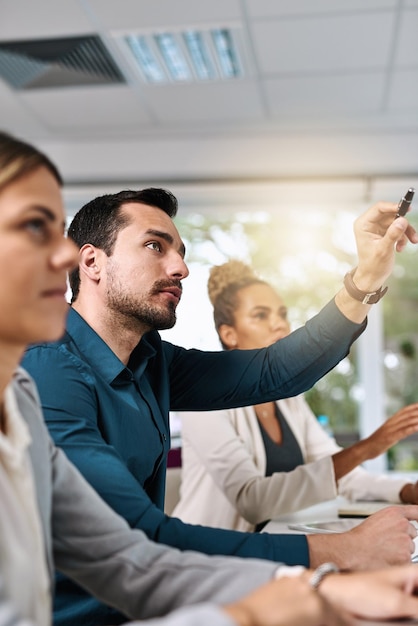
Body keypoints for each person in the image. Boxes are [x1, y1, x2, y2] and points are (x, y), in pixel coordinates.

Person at [7, 128, 418, 626]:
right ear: (91, 262)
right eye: (156, 246)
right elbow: (142, 539)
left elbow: (275, 370)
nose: (180, 267)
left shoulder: (149, 361)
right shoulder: (47, 370)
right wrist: (335, 555)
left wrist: (365, 280)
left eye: (180, 251)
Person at [174, 260, 418, 532]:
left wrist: (408, 491)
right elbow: (252, 500)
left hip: (272, 543)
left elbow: (340, 472)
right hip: (208, 556)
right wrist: (366, 448)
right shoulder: (202, 402)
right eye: (261, 315)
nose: (279, 325)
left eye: (282, 314)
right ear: (229, 334)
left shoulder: (288, 398)